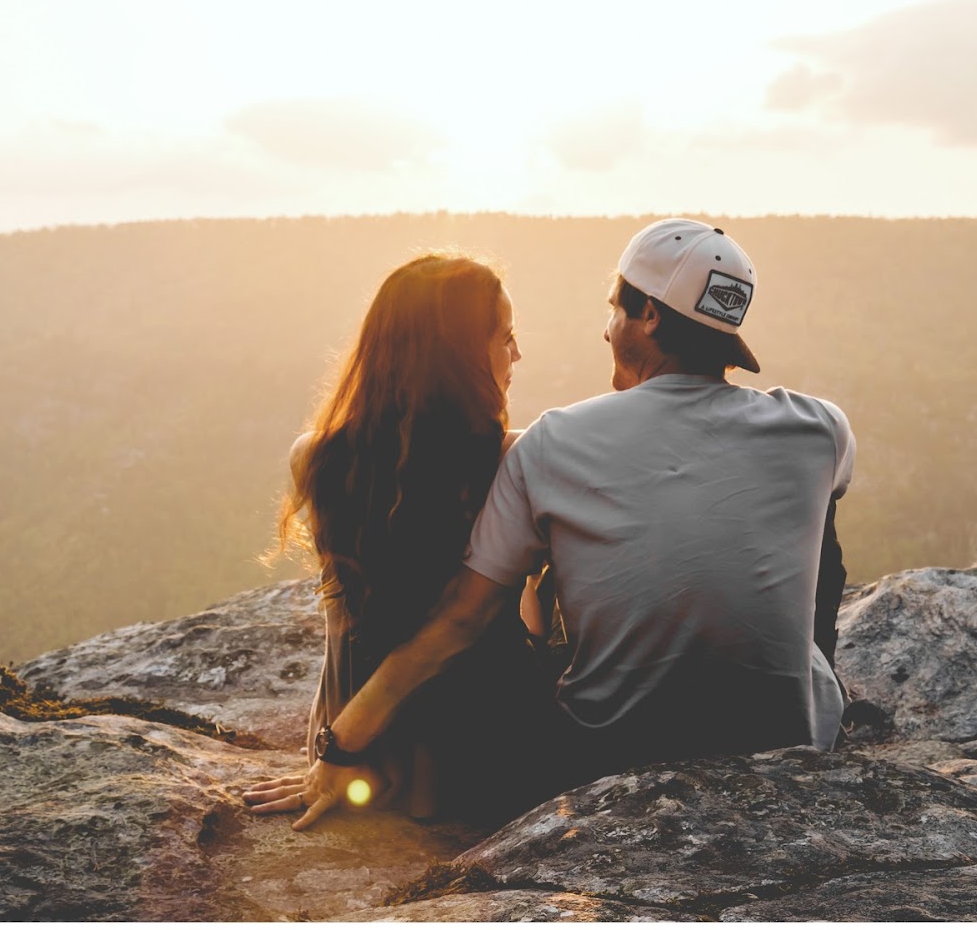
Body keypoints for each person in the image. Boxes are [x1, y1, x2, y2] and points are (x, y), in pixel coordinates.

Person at [285, 218, 856, 830]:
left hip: (608, 752)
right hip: (790, 742)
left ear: (650, 318)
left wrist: (342, 740)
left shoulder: (555, 442)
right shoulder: (820, 428)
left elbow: (464, 616)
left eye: (615, 308)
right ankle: (793, 685)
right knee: (817, 519)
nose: (606, 327)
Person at [242, 253, 544, 824]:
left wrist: (332, 752)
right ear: (457, 357)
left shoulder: (315, 457)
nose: (517, 354)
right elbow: (476, 622)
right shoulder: (515, 459)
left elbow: (342, 631)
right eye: (505, 337)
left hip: (366, 757)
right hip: (487, 753)